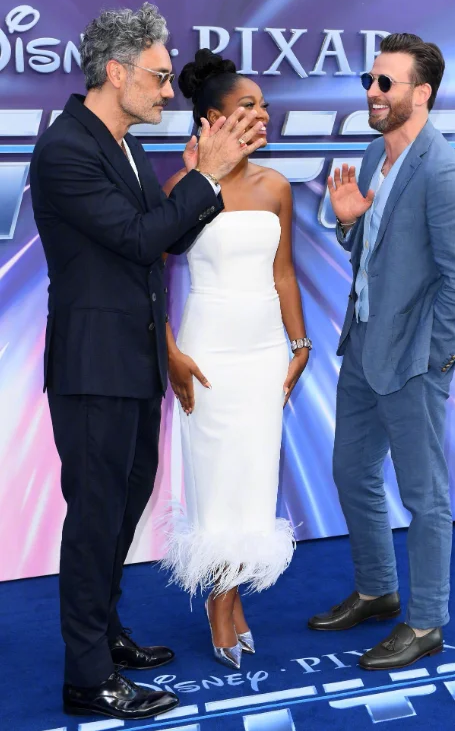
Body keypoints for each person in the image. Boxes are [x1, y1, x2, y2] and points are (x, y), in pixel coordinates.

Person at [30, 4, 264, 720]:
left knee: (120, 512)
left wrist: (203, 183)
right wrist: (206, 177)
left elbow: (160, 242)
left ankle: (106, 635)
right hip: (94, 368)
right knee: (95, 520)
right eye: (159, 77)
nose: (168, 90)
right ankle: (87, 677)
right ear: (116, 71)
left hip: (134, 366)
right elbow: (136, 239)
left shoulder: (123, 145)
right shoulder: (66, 147)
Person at [307, 33, 455, 669]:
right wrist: (349, 222)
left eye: (387, 83)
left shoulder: (445, 174)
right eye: (370, 81)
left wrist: (430, 356)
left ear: (422, 93)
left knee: (424, 496)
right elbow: (373, 256)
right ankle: (377, 590)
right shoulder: (373, 156)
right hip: (362, 347)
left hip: (411, 362)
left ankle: (427, 621)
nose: (373, 93)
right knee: (350, 472)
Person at [161, 49, 310, 670]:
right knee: (215, 480)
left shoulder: (276, 186)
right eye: (248, 105)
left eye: (263, 105)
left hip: (264, 353)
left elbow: (283, 274)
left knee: (252, 478)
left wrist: (300, 345)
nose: (262, 114)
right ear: (212, 120)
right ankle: (220, 603)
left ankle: (234, 594)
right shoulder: (183, 189)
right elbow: (146, 275)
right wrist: (169, 350)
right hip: (208, 352)